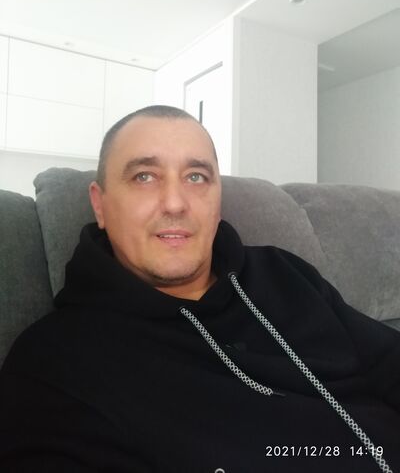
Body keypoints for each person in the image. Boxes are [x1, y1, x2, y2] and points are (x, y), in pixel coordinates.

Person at [0, 105, 399, 473]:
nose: (175, 203)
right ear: (100, 205)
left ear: (217, 201)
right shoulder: (53, 364)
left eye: (196, 177)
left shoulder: (284, 272)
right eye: (144, 176)